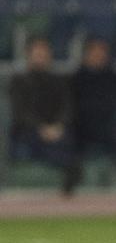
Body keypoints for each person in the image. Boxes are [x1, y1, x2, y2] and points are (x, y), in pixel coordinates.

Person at [69, 37, 116, 195]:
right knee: (69, 133)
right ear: (86, 54)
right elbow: (71, 106)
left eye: (102, 51)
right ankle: (70, 183)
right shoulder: (77, 78)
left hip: (112, 127)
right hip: (84, 127)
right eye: (94, 51)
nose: (98, 55)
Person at [7, 36, 75, 192]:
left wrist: (57, 126)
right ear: (28, 55)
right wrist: (41, 128)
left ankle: (68, 189)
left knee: (68, 140)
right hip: (28, 131)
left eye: (44, 54)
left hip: (56, 130)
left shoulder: (59, 81)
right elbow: (20, 112)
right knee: (38, 143)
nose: (41, 57)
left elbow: (66, 108)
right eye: (37, 53)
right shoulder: (18, 81)